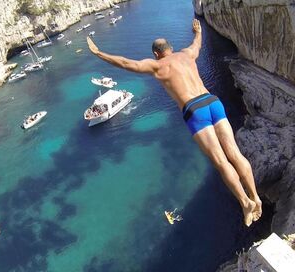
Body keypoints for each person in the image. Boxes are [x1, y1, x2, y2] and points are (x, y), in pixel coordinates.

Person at [87, 19, 262, 227]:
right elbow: (197, 42)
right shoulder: (188, 54)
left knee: (221, 161)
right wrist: (197, 31)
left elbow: (126, 63)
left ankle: (245, 202)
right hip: (212, 101)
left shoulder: (157, 65)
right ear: (171, 48)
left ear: (156, 54)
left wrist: (99, 53)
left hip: (194, 110)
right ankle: (256, 197)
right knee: (235, 153)